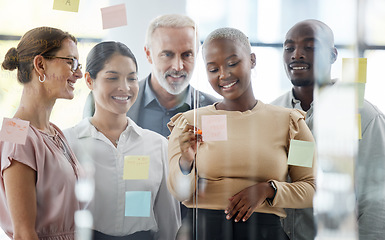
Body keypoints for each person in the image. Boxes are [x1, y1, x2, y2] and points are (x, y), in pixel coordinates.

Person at [167, 27, 316, 240]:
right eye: (213, 69)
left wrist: (269, 190)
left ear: (252, 60)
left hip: (264, 232)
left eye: (232, 63)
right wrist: (186, 161)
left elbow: (311, 188)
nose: (223, 75)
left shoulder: (291, 123)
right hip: (202, 232)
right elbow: (179, 193)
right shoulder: (188, 123)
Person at [271, 19, 385, 240]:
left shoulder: (362, 114)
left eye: (310, 47)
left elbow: (376, 200)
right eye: (289, 48)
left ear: (333, 55)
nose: (297, 54)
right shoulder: (272, 111)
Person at [64, 41, 181, 240]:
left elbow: (169, 221)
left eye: (132, 78)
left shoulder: (157, 145)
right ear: (89, 80)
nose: (124, 88)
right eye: (112, 78)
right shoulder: (68, 143)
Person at [0, 27, 84, 240]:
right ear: (40, 65)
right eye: (71, 62)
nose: (79, 74)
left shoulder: (55, 132)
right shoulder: (15, 132)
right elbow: (24, 234)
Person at [83, 14, 217, 137]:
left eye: (187, 55)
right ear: (148, 54)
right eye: (167, 55)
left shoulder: (216, 111)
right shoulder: (109, 101)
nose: (178, 66)